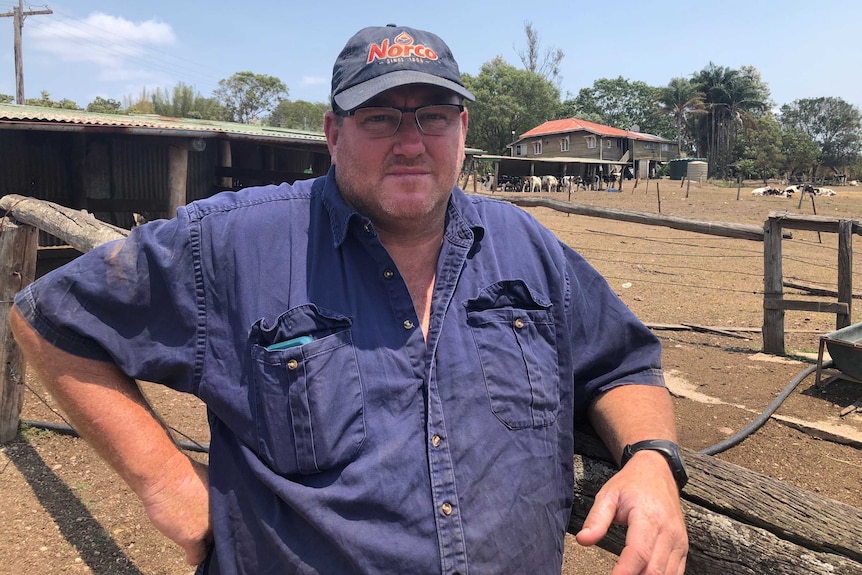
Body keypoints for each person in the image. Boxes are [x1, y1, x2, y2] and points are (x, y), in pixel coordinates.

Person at [10, 24, 688, 575]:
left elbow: (620, 362)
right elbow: (50, 318)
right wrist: (169, 488)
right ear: (333, 133)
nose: (411, 141)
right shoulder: (234, 243)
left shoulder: (526, 247)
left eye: (433, 114)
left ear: (462, 127)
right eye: (380, 117)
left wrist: (653, 457)